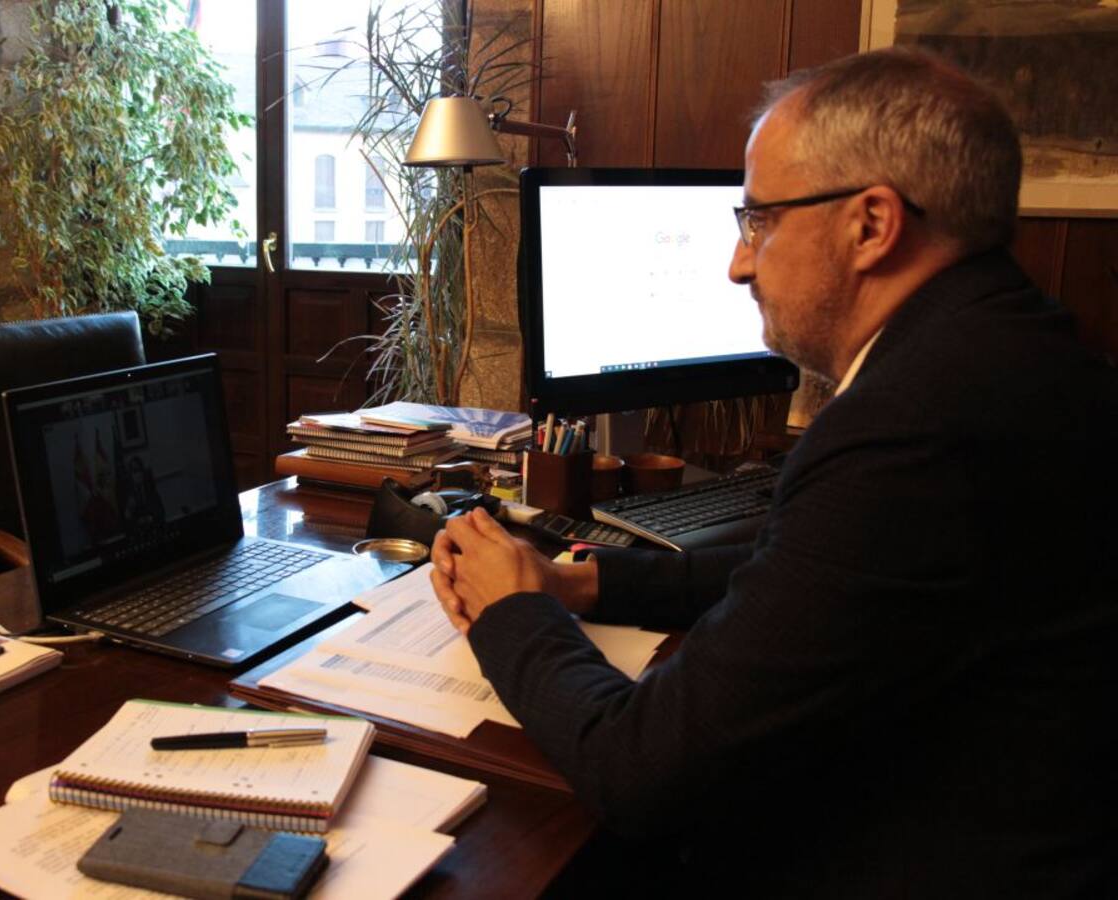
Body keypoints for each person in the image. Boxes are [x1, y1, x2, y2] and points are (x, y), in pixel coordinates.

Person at [431, 47, 1118, 897]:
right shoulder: (1006, 353)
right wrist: (584, 582)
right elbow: (798, 575)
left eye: (759, 219)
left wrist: (512, 610)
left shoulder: (916, 428)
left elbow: (639, 770)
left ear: (871, 224)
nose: (738, 262)